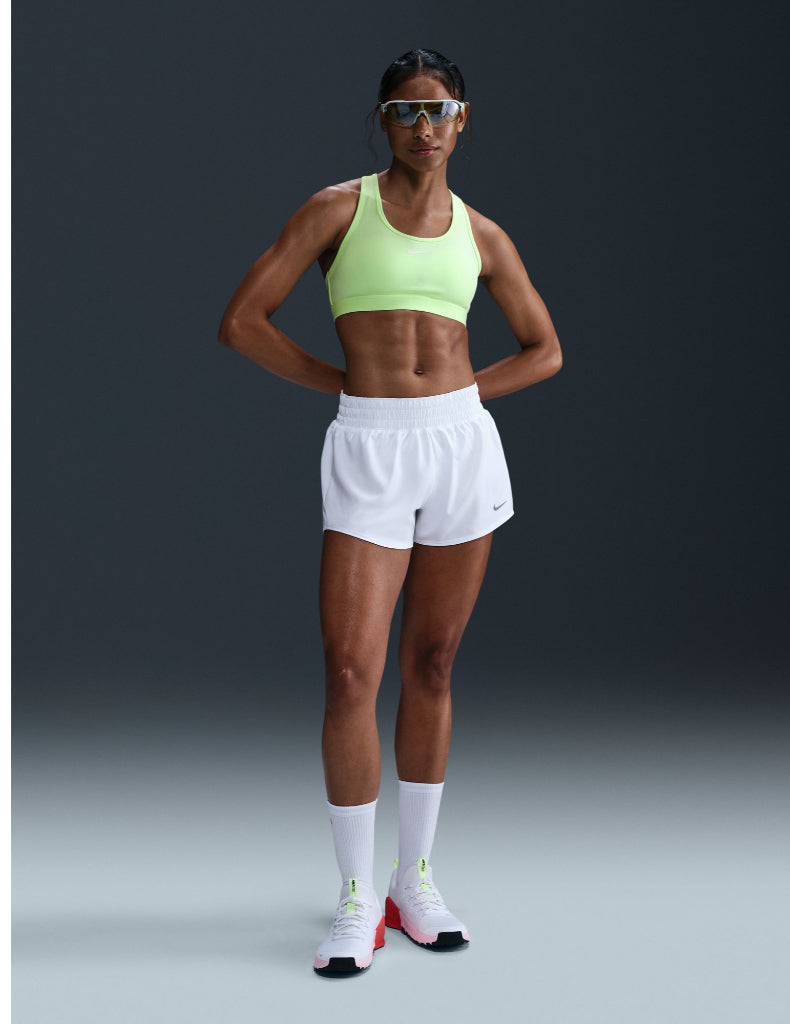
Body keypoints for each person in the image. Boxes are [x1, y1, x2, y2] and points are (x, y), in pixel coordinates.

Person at [218, 47, 562, 976]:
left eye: (438, 109)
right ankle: (355, 894)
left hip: (457, 446)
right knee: (347, 673)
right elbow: (242, 322)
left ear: (462, 120)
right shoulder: (337, 210)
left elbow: (543, 349)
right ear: (383, 121)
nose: (422, 126)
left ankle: (414, 879)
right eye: (405, 110)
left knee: (434, 664)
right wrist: (344, 383)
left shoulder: (483, 234)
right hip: (371, 444)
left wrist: (462, 398)